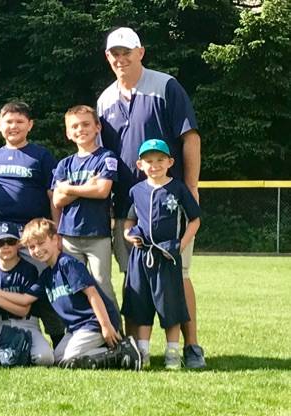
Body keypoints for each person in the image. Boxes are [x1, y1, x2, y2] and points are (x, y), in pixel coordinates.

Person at [97, 27, 205, 368]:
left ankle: (190, 347)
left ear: (141, 52)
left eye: (126, 52)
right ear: (107, 58)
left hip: (168, 204)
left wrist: (189, 187)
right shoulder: (105, 99)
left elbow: (189, 137)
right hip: (129, 209)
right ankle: (136, 351)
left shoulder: (165, 86)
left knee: (179, 274)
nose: (120, 58)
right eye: (114, 53)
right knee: (134, 280)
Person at [0, 101, 64, 348]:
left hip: (33, 231)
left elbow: (52, 197)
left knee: (42, 284)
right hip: (1, 231)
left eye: (19, 121)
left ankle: (57, 337)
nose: (13, 126)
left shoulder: (41, 155)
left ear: (30, 125)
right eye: (8, 121)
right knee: (0, 285)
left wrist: (55, 232)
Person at [19, 218, 141, 370]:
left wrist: (105, 326)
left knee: (70, 358)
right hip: (77, 328)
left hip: (94, 322)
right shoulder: (47, 275)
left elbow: (93, 294)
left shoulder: (67, 264)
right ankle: (108, 350)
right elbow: (25, 299)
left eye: (41, 243)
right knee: (57, 358)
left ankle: (121, 353)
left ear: (56, 239)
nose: (37, 250)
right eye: (31, 247)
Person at [122, 139, 201, 369]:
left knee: (170, 304)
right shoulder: (136, 191)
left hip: (167, 256)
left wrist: (181, 245)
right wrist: (128, 235)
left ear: (170, 162)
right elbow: (129, 221)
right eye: (148, 161)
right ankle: (143, 351)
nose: (154, 165)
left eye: (159, 160)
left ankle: (173, 352)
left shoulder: (177, 188)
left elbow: (194, 219)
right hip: (142, 256)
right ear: (139, 164)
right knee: (141, 303)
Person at [52, 105, 119, 310]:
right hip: (70, 235)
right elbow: (57, 200)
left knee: (101, 283)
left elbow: (102, 191)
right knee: (74, 286)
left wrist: (69, 189)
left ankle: (116, 334)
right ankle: (82, 330)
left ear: (97, 127)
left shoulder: (106, 157)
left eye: (86, 124)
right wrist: (86, 187)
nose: (80, 129)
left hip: (98, 234)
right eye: (75, 126)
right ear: (68, 133)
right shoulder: (65, 164)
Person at [0, 221, 54, 367]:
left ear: (18, 244)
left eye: (10, 241)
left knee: (45, 359)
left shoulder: (28, 270)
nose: (5, 246)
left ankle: (20, 351)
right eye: (0, 242)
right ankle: (1, 348)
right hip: (1, 325)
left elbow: (24, 309)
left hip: (28, 324)